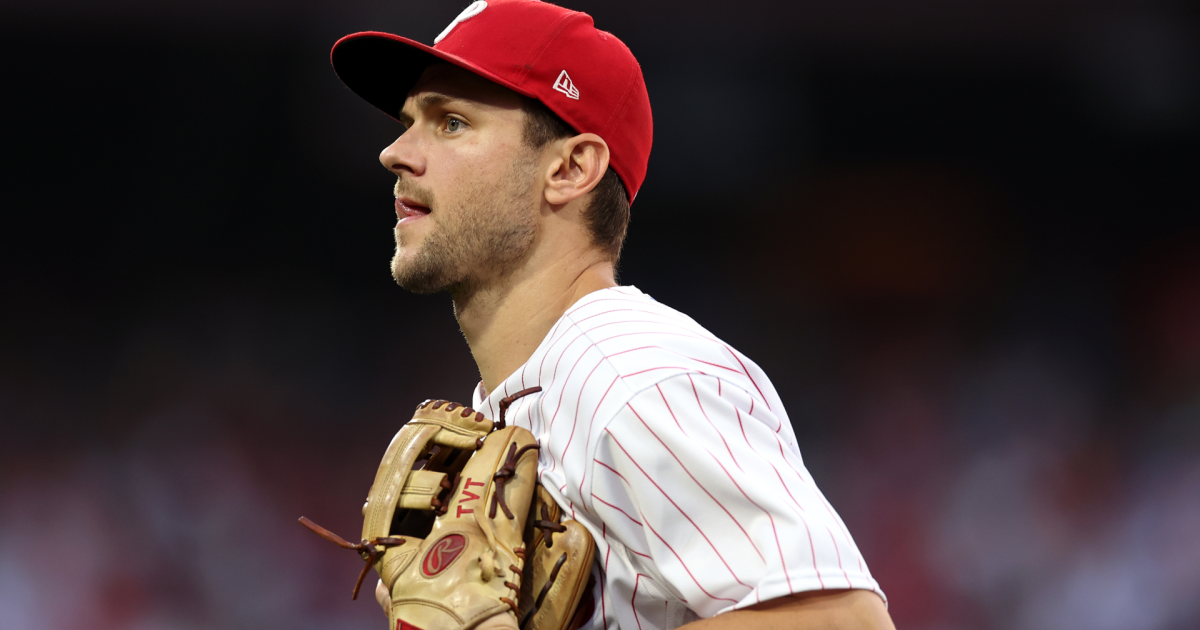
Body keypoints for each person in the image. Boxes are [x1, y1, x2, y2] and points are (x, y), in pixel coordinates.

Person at [330, 1, 894, 629]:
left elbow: (845, 621)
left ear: (570, 169)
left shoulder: (634, 375)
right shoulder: (531, 396)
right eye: (409, 121)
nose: (396, 152)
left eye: (452, 122)